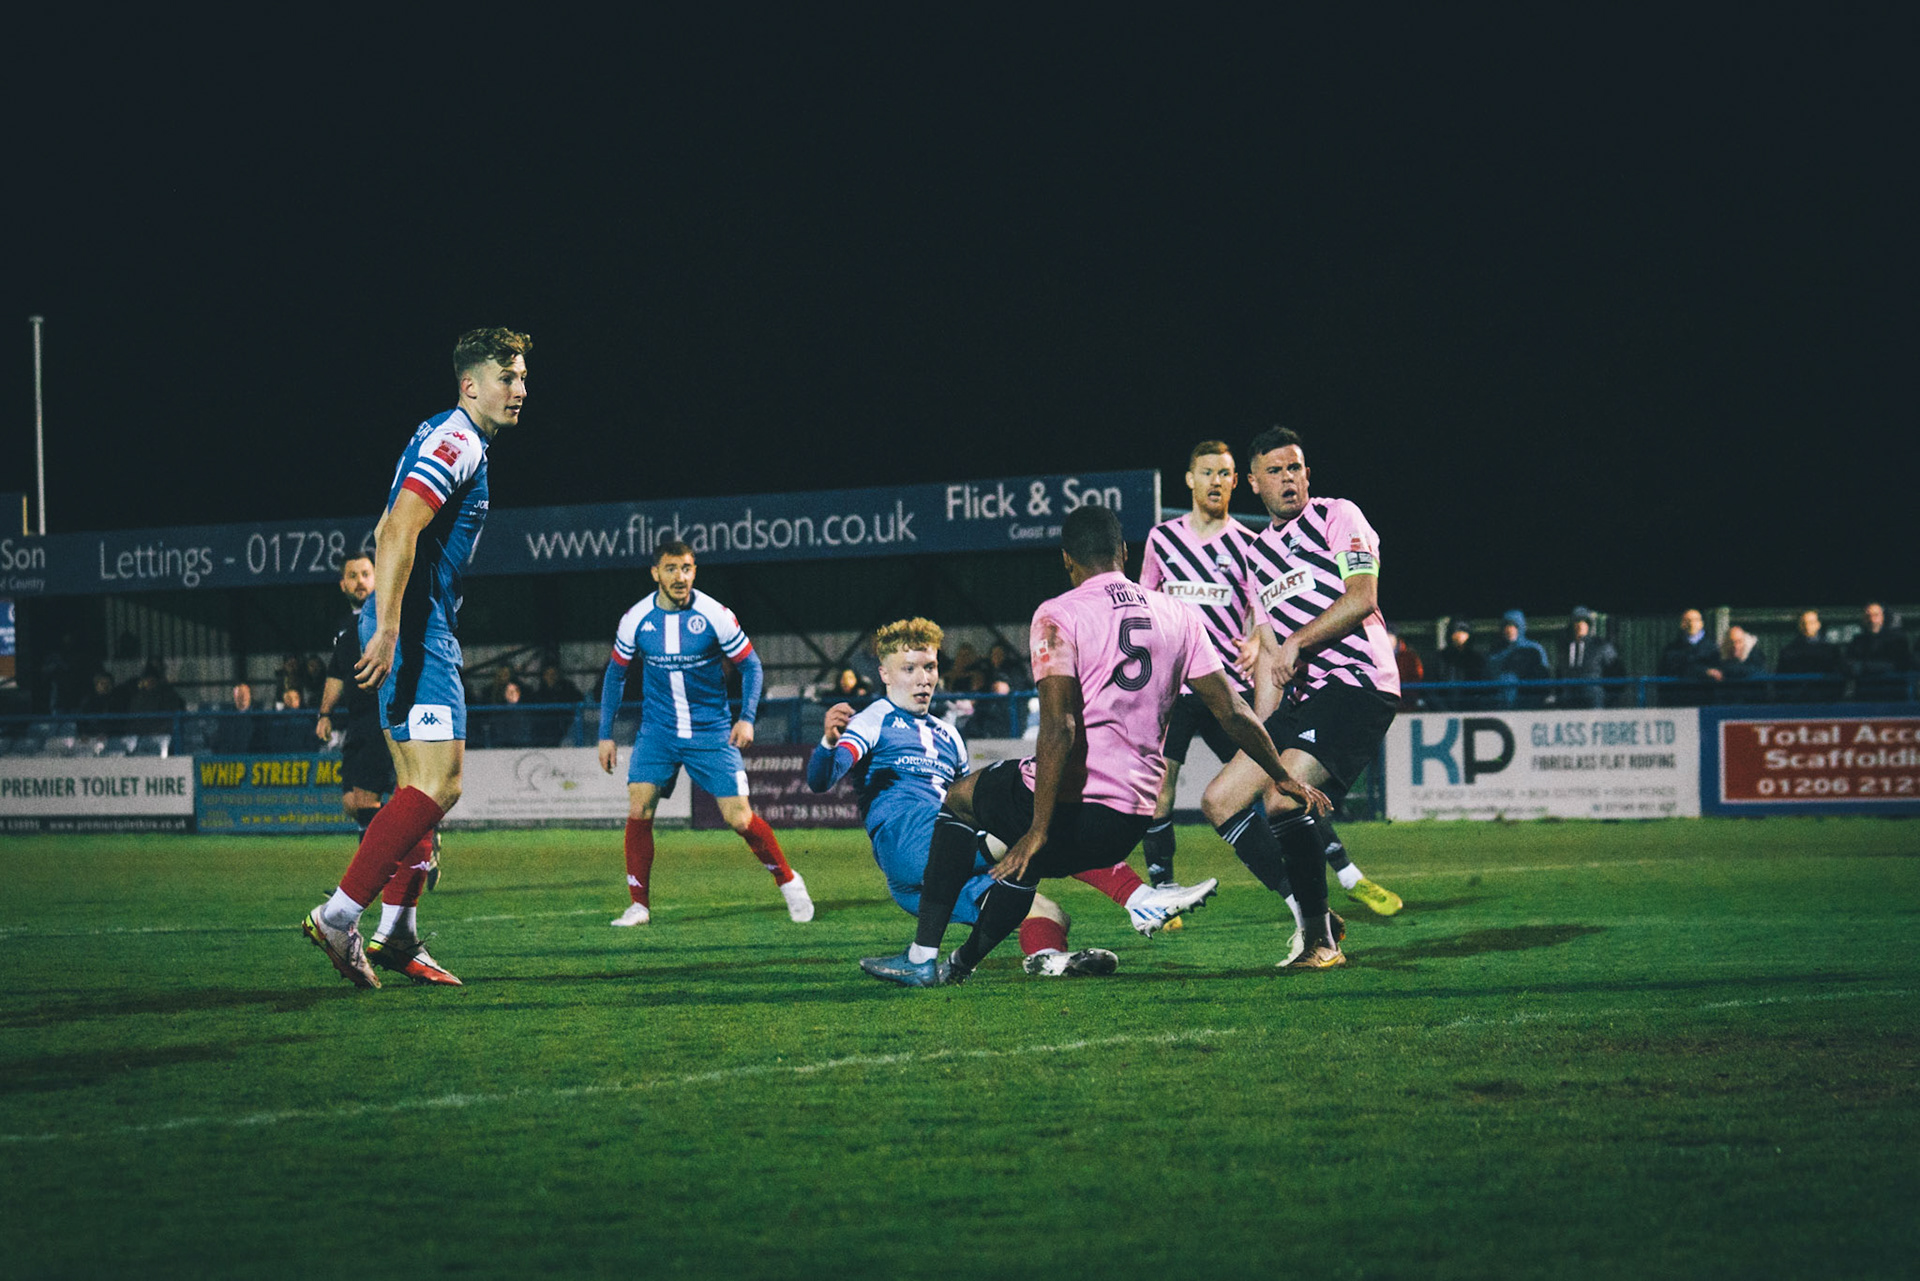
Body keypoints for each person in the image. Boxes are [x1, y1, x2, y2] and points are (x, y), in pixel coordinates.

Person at [860, 505, 1330, 987]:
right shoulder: (1180, 615)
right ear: (1124, 552)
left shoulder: (1059, 614)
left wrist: (1038, 827)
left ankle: (921, 955)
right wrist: (1281, 775)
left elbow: (1059, 726)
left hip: (1073, 806)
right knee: (1024, 868)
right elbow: (1232, 711)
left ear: (1067, 560)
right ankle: (958, 967)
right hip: (1129, 822)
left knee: (960, 800)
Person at [302, 325, 531, 990]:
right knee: (439, 785)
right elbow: (397, 529)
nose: (520, 389)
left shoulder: (448, 435)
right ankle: (338, 916)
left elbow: (389, 527)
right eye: (507, 377)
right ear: (470, 385)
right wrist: (389, 628)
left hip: (417, 624)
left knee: (417, 792)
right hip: (419, 628)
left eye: (522, 377)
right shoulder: (458, 440)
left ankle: (397, 933)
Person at [813, 617, 1205, 979]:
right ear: (884, 673)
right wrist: (829, 744)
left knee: (1047, 911)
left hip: (930, 875)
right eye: (909, 669)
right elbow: (822, 779)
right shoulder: (873, 719)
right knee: (1034, 821)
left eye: (929, 667)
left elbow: (963, 815)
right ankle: (1138, 897)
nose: (923, 679)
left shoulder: (949, 736)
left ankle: (1048, 958)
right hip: (909, 843)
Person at [1199, 426, 1407, 971]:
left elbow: (1362, 597)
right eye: (1275, 471)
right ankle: (1310, 910)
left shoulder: (1339, 516)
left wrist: (1298, 642)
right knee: (1220, 800)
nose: (1288, 479)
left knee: (1283, 799)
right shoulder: (1257, 555)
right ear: (1253, 483)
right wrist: (1260, 731)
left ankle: (1320, 942)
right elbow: (1271, 655)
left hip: (1358, 683)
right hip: (1306, 696)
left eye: (1295, 468)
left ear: (1307, 474)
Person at [597, 540, 813, 927]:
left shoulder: (715, 615)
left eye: (687, 568)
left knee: (739, 818)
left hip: (710, 732)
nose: (680, 577)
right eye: (671, 569)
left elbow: (752, 666)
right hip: (658, 732)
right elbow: (615, 674)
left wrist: (747, 718)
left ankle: (789, 881)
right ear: (655, 573)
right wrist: (605, 734)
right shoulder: (636, 619)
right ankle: (639, 905)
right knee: (639, 807)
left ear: (694, 571)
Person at [1133, 439, 1260, 890]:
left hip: (1227, 685)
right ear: (1190, 479)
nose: (1215, 481)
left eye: (1224, 473)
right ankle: (1164, 888)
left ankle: (1328, 868)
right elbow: (1143, 605)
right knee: (1159, 783)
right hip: (1174, 686)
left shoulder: (1249, 545)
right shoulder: (1162, 539)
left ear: (1235, 481)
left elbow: (1263, 613)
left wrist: (1256, 642)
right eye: (1207, 472)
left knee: (1265, 777)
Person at [316, 553, 426, 881]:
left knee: (366, 799)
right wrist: (325, 713)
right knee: (353, 802)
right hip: (356, 720)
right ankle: (419, 837)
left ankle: (370, 880)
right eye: (353, 576)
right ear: (342, 584)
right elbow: (336, 672)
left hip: (383, 714)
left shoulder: (386, 616)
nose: (360, 581)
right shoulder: (343, 628)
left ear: (376, 578)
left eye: (365, 574)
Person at [1556, 606, 1624, 709]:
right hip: (1569, 703)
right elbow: (1559, 673)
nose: (1580, 625)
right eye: (1576, 621)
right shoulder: (1565, 648)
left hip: (1595, 704)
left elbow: (1617, 673)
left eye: (1585, 622)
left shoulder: (1601, 646)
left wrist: (1609, 701)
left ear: (1589, 625)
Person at [1846, 602, 1912, 701]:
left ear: (1883, 617)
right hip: (1864, 694)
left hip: (1893, 692)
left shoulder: (1897, 640)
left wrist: (1865, 667)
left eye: (1876, 615)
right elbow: (1848, 662)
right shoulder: (1857, 641)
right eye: (1868, 616)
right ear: (1863, 619)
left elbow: (1901, 664)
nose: (1872, 620)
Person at [1485, 610, 1551, 708]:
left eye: (1514, 626)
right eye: (1506, 626)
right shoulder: (1496, 651)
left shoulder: (1534, 648)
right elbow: (1490, 675)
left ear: (1521, 627)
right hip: (1501, 706)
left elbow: (1544, 676)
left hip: (1529, 704)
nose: (1509, 630)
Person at [1775, 610, 1843, 702]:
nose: (1807, 626)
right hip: (1797, 701)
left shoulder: (1831, 650)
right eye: (1803, 623)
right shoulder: (1788, 650)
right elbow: (1781, 678)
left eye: (1811, 622)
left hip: (1825, 701)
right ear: (1799, 625)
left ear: (1818, 624)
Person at [1657, 609, 1717, 706]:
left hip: (1705, 701)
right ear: (1682, 624)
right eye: (1688, 620)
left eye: (1695, 620)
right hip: (1679, 702)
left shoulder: (1713, 648)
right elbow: (1668, 670)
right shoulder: (1671, 649)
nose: (1692, 624)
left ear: (1701, 623)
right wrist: (1704, 671)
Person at [1429, 616, 1487, 709]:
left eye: (1463, 631)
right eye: (1455, 631)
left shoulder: (1477, 659)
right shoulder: (1439, 658)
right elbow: (1431, 690)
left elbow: (1483, 690)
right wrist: (1443, 711)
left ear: (1469, 635)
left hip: (1472, 712)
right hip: (1443, 712)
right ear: (1450, 634)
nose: (1459, 635)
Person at [1705, 624, 1766, 702]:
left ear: (1744, 642)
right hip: (1725, 702)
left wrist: (1723, 671)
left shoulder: (1755, 654)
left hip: (1751, 702)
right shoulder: (1717, 654)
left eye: (1739, 642)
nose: (1735, 646)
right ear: (1726, 643)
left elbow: (1758, 671)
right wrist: (1707, 671)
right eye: (1731, 642)